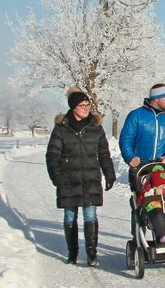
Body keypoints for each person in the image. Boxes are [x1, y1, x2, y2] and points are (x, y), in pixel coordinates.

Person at [46, 88, 116, 266]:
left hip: (91, 179)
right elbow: (52, 156)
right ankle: (72, 253)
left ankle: (92, 254)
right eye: (82, 105)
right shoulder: (61, 129)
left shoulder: (96, 128)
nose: (86, 108)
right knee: (70, 217)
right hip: (69, 181)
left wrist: (109, 174)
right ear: (73, 107)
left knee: (90, 216)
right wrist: (57, 177)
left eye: (87, 104)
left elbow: (104, 155)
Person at [118, 83, 165, 191]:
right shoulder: (136, 115)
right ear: (156, 99)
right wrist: (130, 157)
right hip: (140, 166)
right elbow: (126, 139)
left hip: (162, 165)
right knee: (142, 202)